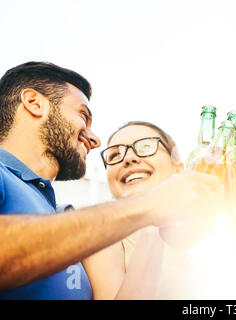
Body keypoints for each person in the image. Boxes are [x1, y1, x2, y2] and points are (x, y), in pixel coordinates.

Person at [0, 62, 221, 299]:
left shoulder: (61, 214)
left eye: (145, 147)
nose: (95, 140)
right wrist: (148, 206)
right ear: (34, 103)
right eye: (83, 115)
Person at [83, 121, 201, 299]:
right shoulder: (103, 239)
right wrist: (151, 216)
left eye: (146, 146)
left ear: (179, 170)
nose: (128, 158)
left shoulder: (197, 248)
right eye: (115, 155)